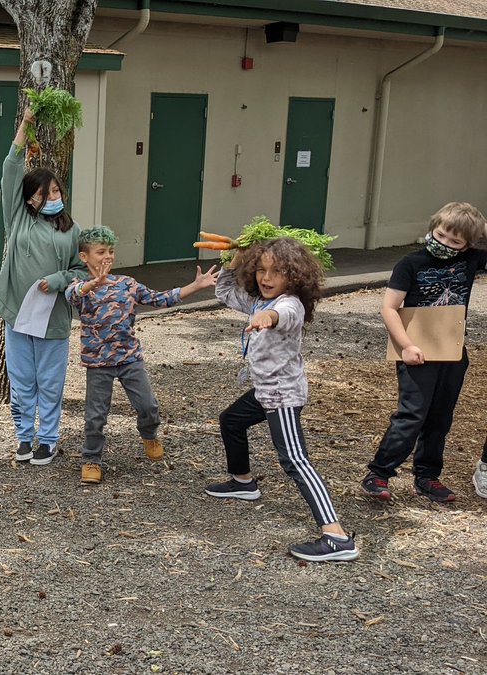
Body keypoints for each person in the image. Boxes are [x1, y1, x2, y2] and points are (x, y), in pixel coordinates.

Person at [204, 239, 357, 562]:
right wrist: (236, 260)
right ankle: (243, 482)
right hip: (264, 389)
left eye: (277, 271)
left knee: (295, 461)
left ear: (295, 276)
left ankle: (336, 537)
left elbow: (282, 315)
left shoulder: (288, 304)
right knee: (231, 420)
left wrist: (267, 318)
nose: (266, 277)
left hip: (281, 394)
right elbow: (225, 293)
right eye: (261, 269)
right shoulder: (259, 301)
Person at [66, 225, 219, 484]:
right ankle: (91, 460)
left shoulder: (127, 283)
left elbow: (159, 299)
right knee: (95, 416)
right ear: (84, 257)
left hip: (129, 359)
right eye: (100, 251)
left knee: (148, 406)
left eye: (111, 251)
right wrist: (93, 284)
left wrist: (194, 286)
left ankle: (148, 434)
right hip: (98, 364)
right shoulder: (80, 287)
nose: (107, 256)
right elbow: (72, 295)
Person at [361, 202, 487, 503]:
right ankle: (378, 473)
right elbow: (389, 308)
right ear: (433, 227)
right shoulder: (411, 263)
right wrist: (406, 345)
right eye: (441, 234)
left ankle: (427, 476)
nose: (443, 243)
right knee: (412, 414)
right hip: (415, 350)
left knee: (440, 417)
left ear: (467, 244)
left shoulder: (471, 259)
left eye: (455, 241)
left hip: (452, 350)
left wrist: (477, 226)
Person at [0, 106, 88, 466]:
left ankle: (47, 439)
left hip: (54, 317)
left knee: (50, 382)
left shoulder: (71, 230)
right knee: (21, 380)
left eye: (57, 192)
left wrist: (60, 279)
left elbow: (81, 271)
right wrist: (25, 126)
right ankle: (23, 438)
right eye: (46, 194)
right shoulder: (17, 218)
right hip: (18, 314)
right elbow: (10, 170)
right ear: (31, 197)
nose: (53, 198)